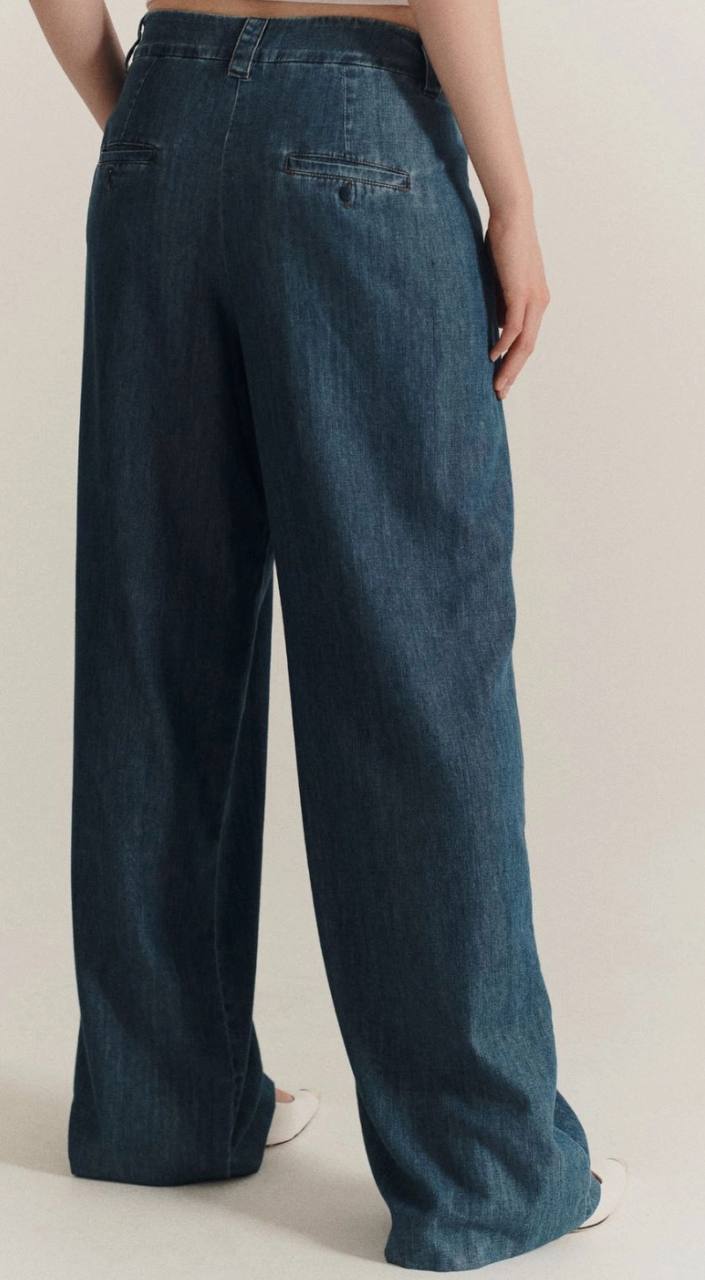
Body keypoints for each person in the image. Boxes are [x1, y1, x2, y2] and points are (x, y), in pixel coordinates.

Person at [29, 0, 627, 1269]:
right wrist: (513, 197)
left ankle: (159, 1103)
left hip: (162, 115)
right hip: (354, 115)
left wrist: (153, 119)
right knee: (413, 655)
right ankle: (485, 1165)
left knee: (154, 638)